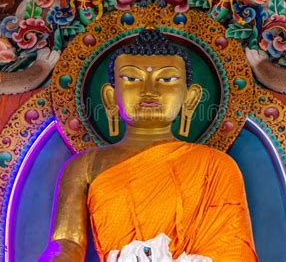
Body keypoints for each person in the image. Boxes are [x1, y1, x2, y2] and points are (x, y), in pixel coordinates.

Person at [40, 29, 256, 261]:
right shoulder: (85, 166)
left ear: (190, 97)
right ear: (110, 97)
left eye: (167, 79)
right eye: (132, 79)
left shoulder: (216, 167)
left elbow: (232, 249)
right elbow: (67, 241)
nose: (149, 91)